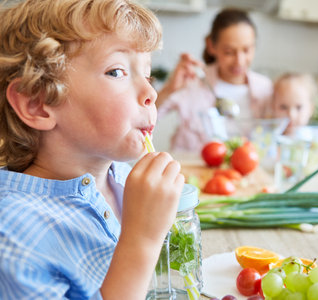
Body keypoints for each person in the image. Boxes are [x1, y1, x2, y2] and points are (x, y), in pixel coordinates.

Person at [0, 0, 185, 299]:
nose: (151, 93)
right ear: (37, 103)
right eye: (117, 72)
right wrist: (141, 241)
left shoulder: (123, 179)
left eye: (147, 75)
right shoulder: (13, 234)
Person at [156, 8, 273, 152]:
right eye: (229, 52)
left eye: (246, 50)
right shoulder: (193, 81)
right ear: (211, 46)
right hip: (191, 171)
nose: (239, 61)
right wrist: (169, 89)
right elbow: (145, 119)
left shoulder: (266, 89)